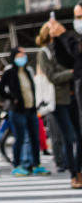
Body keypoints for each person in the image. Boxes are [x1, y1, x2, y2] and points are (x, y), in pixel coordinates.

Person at [39, 22, 82, 188]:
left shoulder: (67, 45)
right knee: (68, 137)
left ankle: (78, 170)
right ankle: (73, 173)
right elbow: (52, 76)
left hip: (74, 97)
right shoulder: (45, 52)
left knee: (79, 136)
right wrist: (71, 73)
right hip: (58, 100)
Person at [0, 46, 49, 176]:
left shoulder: (28, 70)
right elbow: (1, 90)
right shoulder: (9, 72)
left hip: (31, 109)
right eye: (20, 55)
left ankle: (36, 164)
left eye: (24, 55)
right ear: (14, 56)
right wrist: (12, 99)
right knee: (20, 138)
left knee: (34, 138)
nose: (23, 57)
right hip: (17, 110)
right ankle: (17, 165)